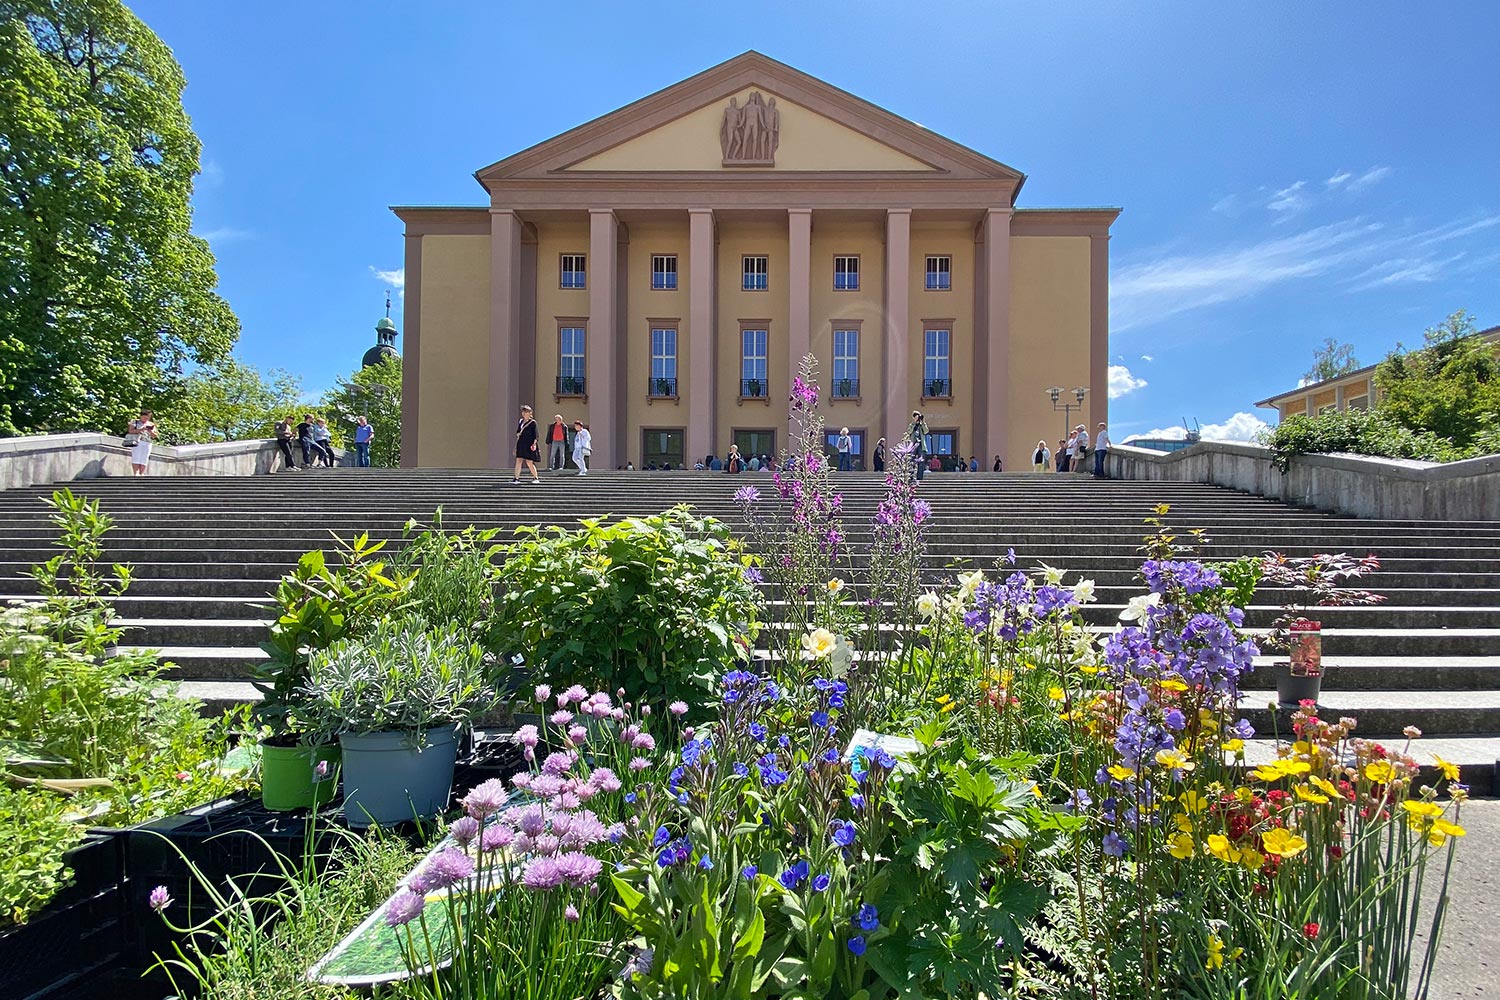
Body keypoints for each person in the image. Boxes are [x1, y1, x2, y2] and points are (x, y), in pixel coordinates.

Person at [124, 409, 158, 476]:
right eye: (145, 417)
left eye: (148, 417)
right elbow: (130, 431)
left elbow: (155, 435)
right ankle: (136, 472)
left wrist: (150, 431)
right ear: (141, 416)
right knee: (136, 456)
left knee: (145, 457)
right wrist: (141, 429)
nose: (146, 418)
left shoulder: (151, 424)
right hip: (137, 441)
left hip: (147, 442)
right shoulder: (134, 421)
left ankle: (142, 472)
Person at [512, 405, 540, 484]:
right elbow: (518, 431)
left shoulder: (533, 423)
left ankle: (535, 477)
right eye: (523, 412)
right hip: (521, 443)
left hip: (529, 444)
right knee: (518, 460)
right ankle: (516, 478)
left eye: (526, 412)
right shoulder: (521, 422)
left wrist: (534, 444)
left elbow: (536, 435)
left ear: (530, 413)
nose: (524, 413)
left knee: (529, 462)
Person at [907, 411, 928, 482]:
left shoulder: (922, 425)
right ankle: (911, 477)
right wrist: (914, 424)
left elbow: (926, 431)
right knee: (911, 461)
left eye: (918, 416)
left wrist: (923, 423)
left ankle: (919, 478)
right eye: (916, 416)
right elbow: (909, 432)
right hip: (913, 445)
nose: (917, 418)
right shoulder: (911, 424)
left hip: (921, 445)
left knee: (921, 462)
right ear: (913, 417)